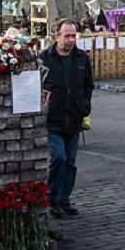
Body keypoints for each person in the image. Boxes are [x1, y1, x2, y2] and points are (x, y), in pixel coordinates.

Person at [41, 18, 94, 217]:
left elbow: (88, 85)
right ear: (57, 36)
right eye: (67, 36)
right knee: (58, 158)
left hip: (74, 118)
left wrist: (85, 105)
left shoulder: (81, 59)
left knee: (70, 162)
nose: (71, 40)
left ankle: (64, 199)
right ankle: (52, 198)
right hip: (53, 120)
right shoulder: (46, 58)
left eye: (74, 35)